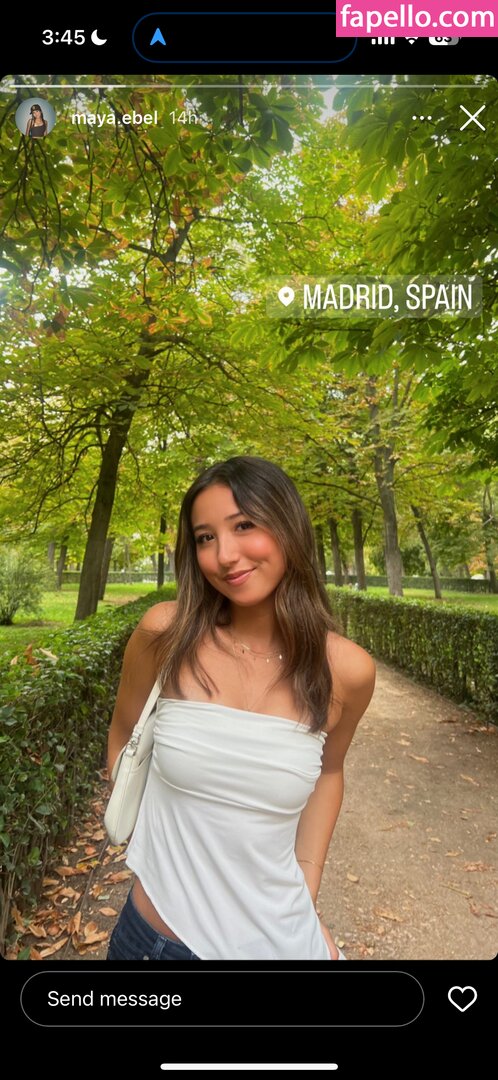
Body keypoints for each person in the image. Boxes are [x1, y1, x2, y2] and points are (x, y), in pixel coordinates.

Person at [106, 455, 375, 961]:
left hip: (280, 942)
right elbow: (123, 739)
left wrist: (307, 887)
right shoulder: (165, 634)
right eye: (205, 537)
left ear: (288, 526)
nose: (224, 555)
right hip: (157, 945)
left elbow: (329, 772)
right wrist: (162, 850)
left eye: (244, 525)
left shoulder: (346, 670)